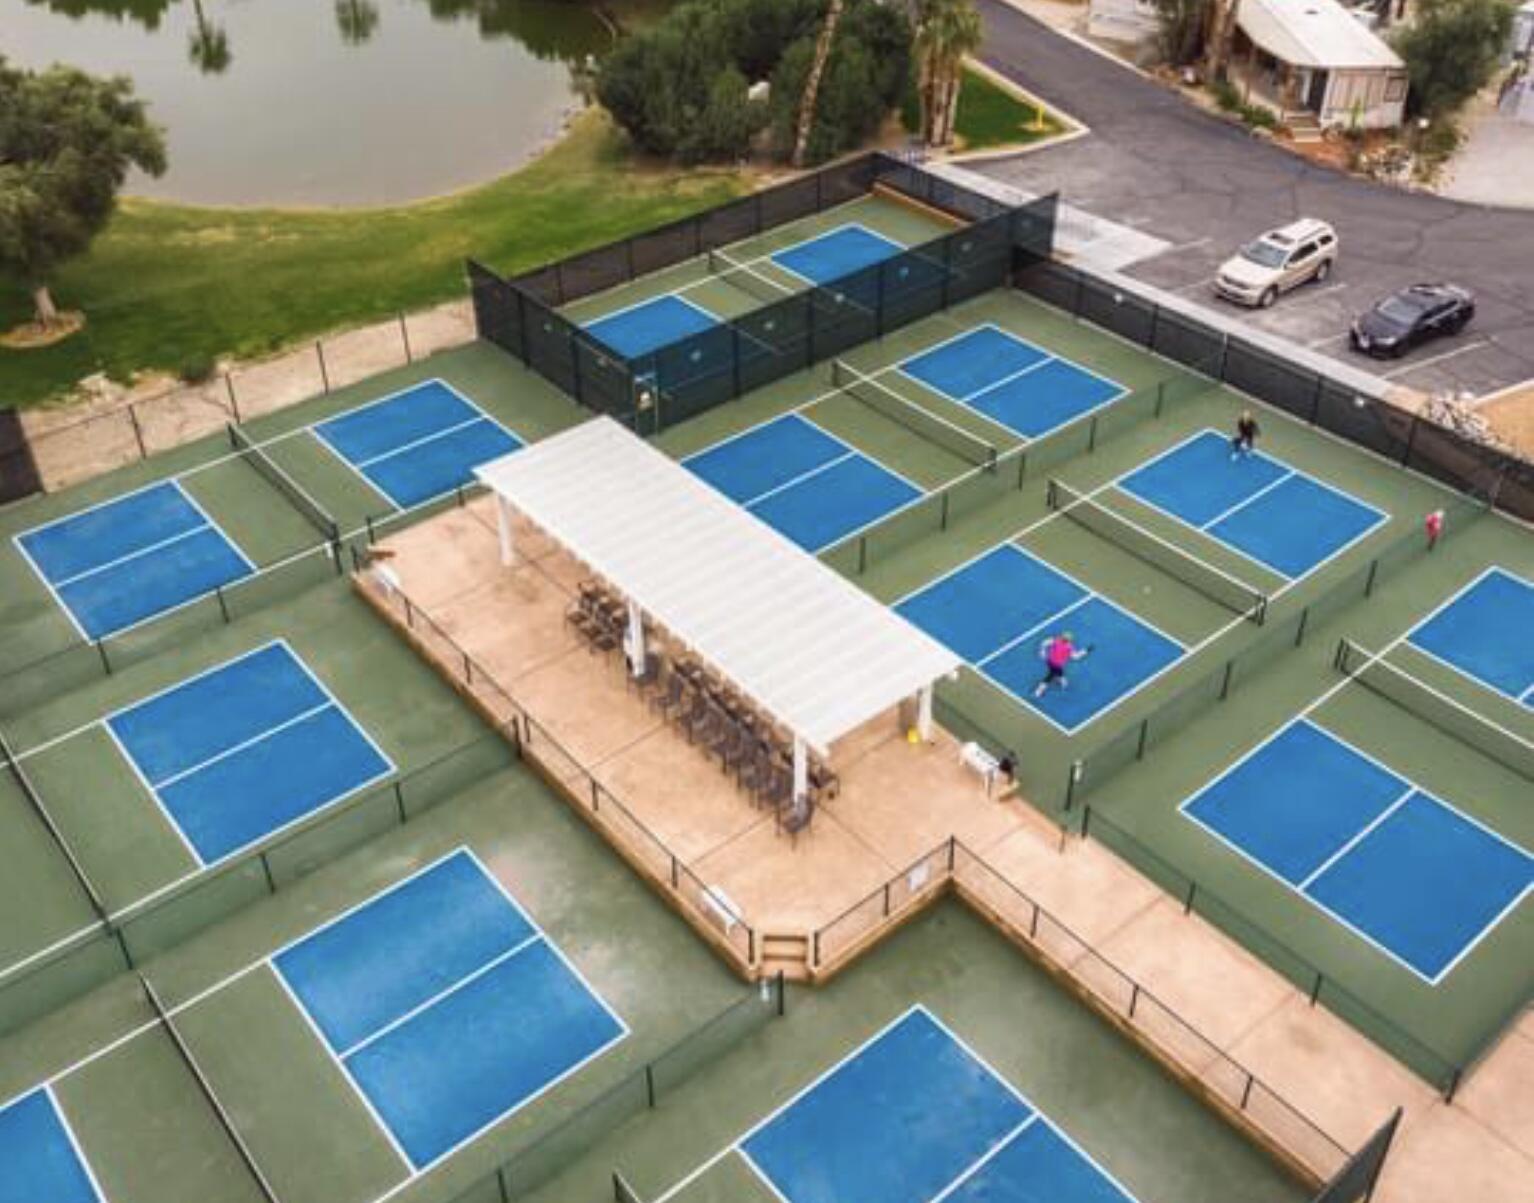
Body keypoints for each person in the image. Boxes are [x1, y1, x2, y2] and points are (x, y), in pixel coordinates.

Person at [1034, 631, 1090, 697]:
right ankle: (1039, 691)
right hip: (1057, 665)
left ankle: (1061, 679)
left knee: (1057, 672)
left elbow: (1044, 643)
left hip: (1050, 661)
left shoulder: (1056, 641)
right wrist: (1085, 651)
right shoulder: (1069, 647)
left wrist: (1042, 651)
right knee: (1049, 677)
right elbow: (1075, 657)